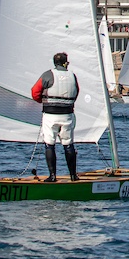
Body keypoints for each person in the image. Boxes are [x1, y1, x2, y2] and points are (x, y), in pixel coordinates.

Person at [31, 52, 80, 182]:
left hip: (50, 115)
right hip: (67, 115)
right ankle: (73, 176)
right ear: (65, 63)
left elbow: (35, 92)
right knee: (68, 144)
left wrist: (42, 101)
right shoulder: (72, 76)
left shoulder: (48, 75)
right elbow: (76, 92)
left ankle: (52, 176)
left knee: (50, 144)